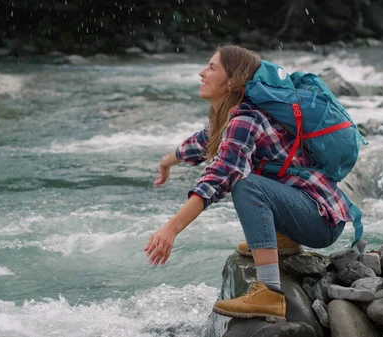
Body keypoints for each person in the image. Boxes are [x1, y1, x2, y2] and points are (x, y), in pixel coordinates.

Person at [144, 45, 353, 322]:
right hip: (308, 209)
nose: (202, 73)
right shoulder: (233, 115)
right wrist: (166, 162)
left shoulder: (245, 119)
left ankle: (268, 291)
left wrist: (171, 229)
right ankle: (284, 241)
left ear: (231, 82)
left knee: (246, 185)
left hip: (319, 221)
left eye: (212, 68)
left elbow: (220, 176)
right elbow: (202, 143)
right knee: (248, 181)